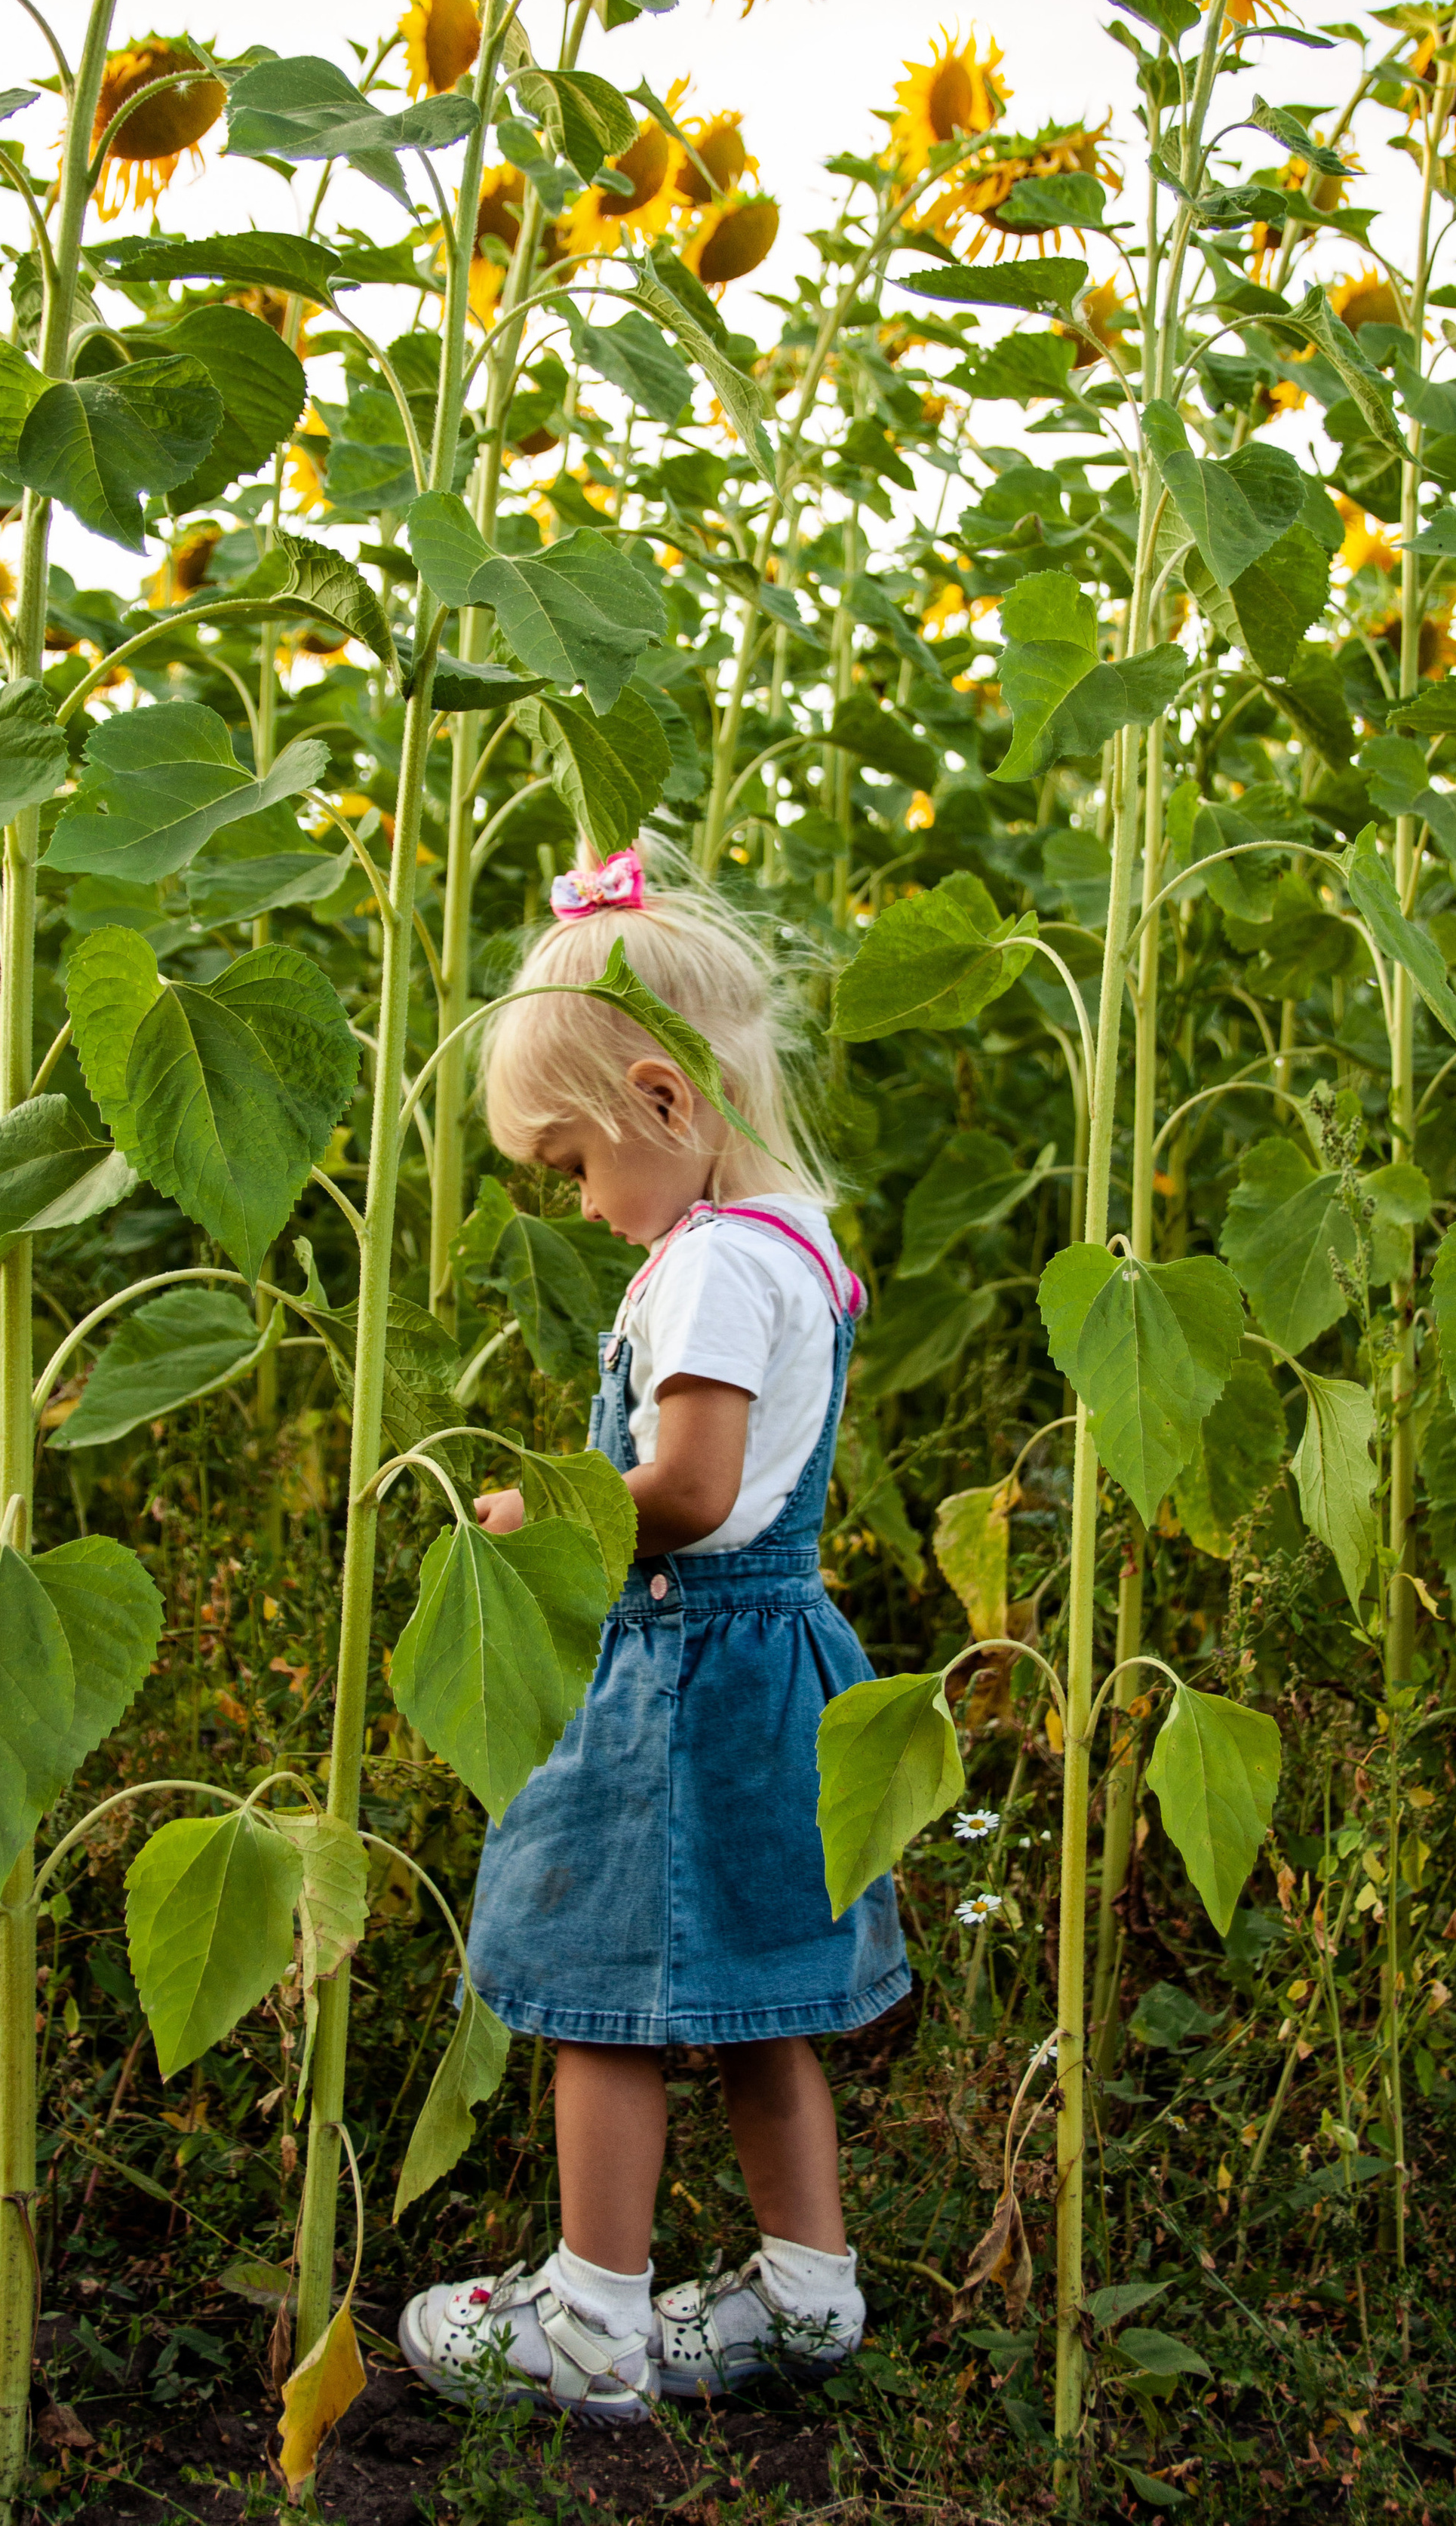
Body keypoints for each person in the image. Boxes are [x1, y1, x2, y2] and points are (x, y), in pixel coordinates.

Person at [398, 837, 908, 2423]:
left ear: (662, 1102)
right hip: (782, 1663)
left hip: (683, 1669)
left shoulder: (700, 1269)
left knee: (598, 1996)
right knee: (765, 1999)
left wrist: (544, 1516)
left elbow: (684, 1489)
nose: (584, 1205)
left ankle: (593, 2321)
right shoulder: (798, 1240)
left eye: (572, 1165)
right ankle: (805, 2291)